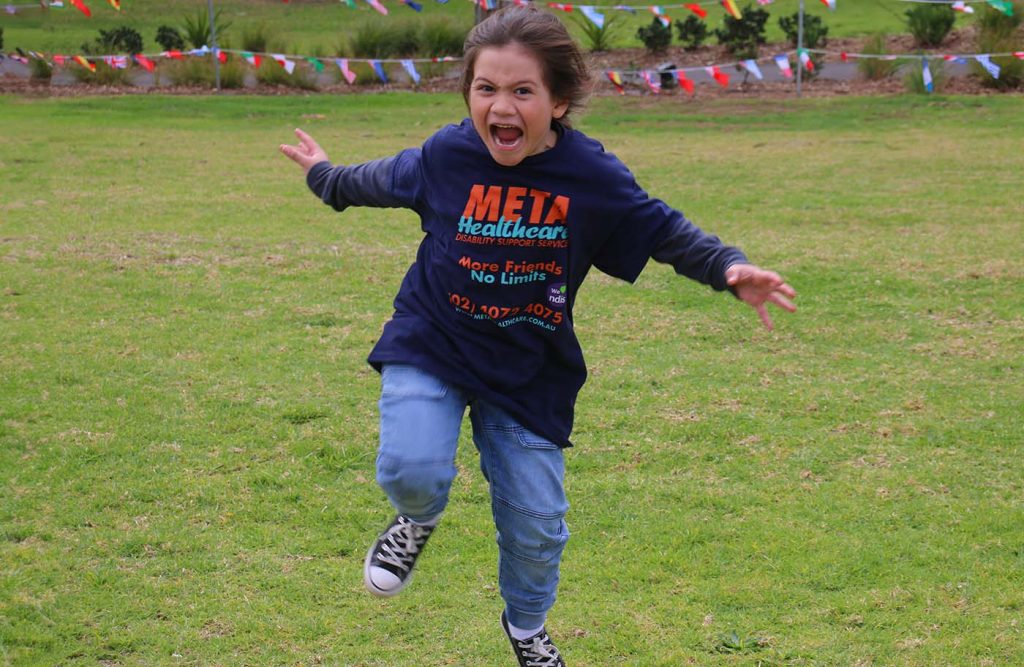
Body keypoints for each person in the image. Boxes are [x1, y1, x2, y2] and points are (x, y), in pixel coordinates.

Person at [280, 6, 795, 665]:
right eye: (486, 88)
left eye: (522, 91)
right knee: (413, 467)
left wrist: (727, 267)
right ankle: (416, 517)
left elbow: (662, 229)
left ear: (558, 101)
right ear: (468, 92)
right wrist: (325, 175)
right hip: (433, 340)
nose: (501, 105)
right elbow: (378, 180)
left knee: (536, 526)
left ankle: (526, 626)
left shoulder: (590, 177)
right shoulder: (447, 155)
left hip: (528, 365)